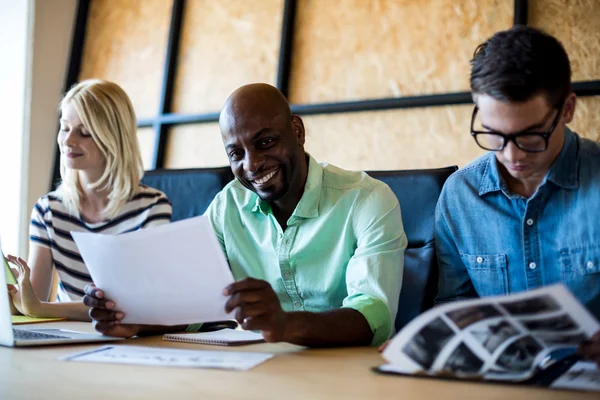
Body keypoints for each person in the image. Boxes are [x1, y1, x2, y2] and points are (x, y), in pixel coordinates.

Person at [84, 83, 407, 347]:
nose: (251, 165)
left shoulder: (367, 200)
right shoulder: (228, 205)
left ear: (297, 131)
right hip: (258, 370)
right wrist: (136, 320)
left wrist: (284, 324)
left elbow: (373, 315)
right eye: (236, 154)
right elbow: (195, 304)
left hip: (348, 373)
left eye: (265, 142)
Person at [434, 26, 600, 365]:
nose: (511, 155)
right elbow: (453, 309)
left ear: (567, 109)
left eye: (530, 135)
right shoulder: (460, 196)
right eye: (494, 135)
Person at [6, 79, 172, 321]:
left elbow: (136, 306)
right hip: (65, 342)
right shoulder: (48, 211)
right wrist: (14, 298)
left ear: (113, 138)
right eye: (64, 128)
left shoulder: (153, 207)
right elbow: (32, 304)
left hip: (128, 342)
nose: (68, 140)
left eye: (84, 132)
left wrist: (40, 307)